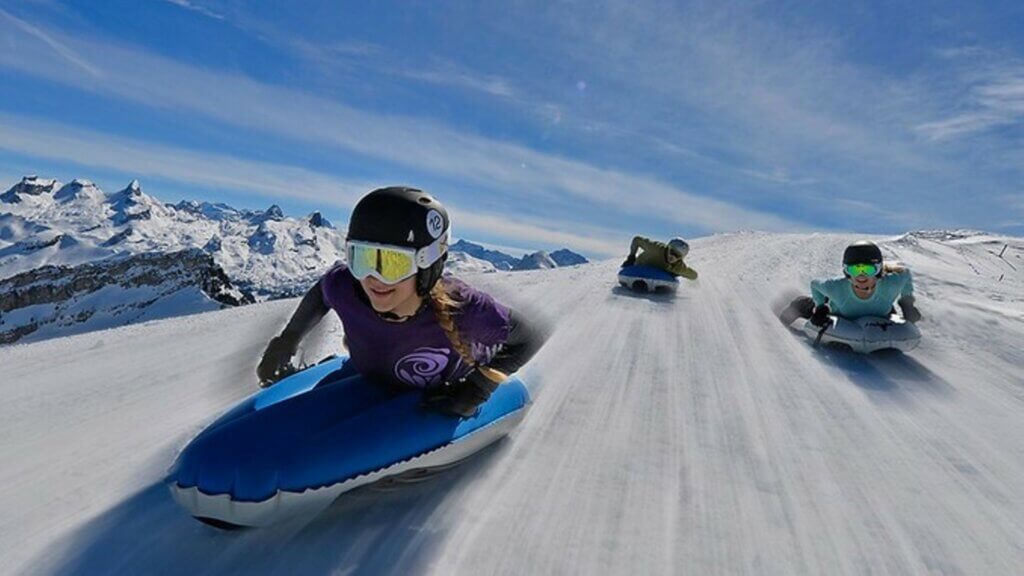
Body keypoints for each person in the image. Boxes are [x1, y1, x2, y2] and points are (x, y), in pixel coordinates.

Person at [257, 186, 546, 417]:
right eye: (362, 258)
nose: (373, 277)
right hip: (368, 378)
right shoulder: (348, 286)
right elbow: (322, 292)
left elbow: (529, 338)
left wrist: (476, 389)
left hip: (432, 399)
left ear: (426, 266)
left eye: (394, 263)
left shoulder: (464, 310)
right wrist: (288, 339)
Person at [779, 240, 922, 327]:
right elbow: (815, 285)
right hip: (840, 310)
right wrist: (820, 306)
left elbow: (905, 274)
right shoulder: (836, 287)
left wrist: (907, 303)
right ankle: (802, 303)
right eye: (854, 269)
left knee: (888, 309)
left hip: (880, 310)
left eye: (868, 269)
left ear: (879, 270)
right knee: (811, 308)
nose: (861, 275)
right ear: (846, 272)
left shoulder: (890, 284)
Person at [621, 236, 698, 280]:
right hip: (639, 266)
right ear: (668, 248)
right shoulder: (655, 248)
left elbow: (693, 275)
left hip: (659, 276)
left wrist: (678, 274)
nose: (672, 256)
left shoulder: (678, 266)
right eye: (672, 252)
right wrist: (631, 257)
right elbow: (636, 240)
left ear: (680, 258)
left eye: (677, 256)